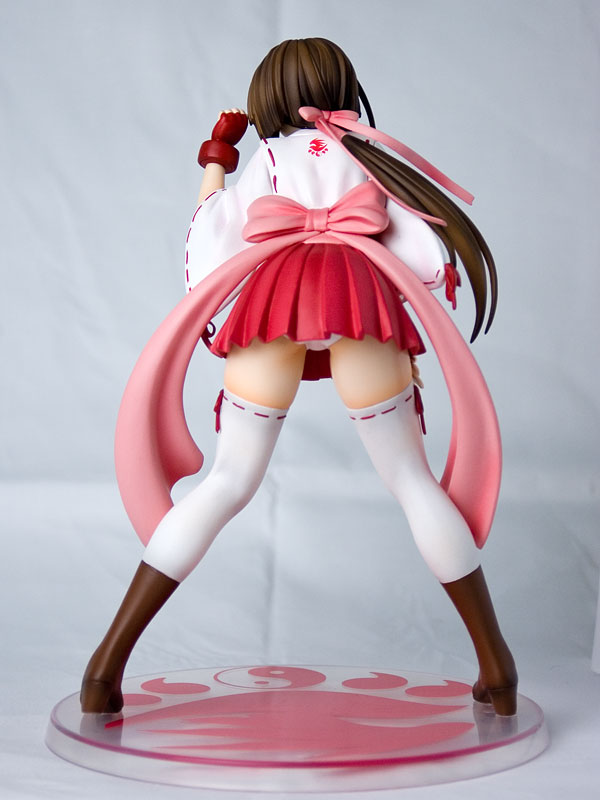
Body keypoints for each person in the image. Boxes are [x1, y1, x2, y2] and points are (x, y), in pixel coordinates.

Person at [81, 38, 517, 716]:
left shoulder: (270, 158)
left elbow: (213, 231)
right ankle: (497, 665)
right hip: (361, 304)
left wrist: (217, 155)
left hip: (274, 307)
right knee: (412, 480)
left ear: (269, 96)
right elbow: (425, 249)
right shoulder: (368, 155)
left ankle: (105, 667)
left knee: (227, 481)